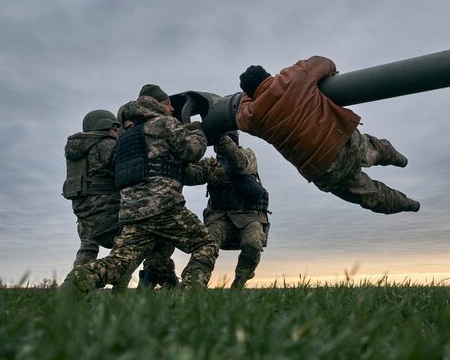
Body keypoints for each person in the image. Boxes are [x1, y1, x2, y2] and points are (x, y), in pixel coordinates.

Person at [61, 85, 218, 294]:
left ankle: (79, 279)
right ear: (157, 105)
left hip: (130, 214)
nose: (172, 108)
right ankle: (189, 295)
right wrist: (198, 131)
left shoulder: (126, 137)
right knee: (205, 245)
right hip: (164, 207)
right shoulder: (164, 124)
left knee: (119, 262)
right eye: (168, 104)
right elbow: (193, 151)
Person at [236, 56, 420, 214]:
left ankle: (410, 205)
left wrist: (246, 96)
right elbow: (325, 62)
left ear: (250, 93)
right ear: (268, 75)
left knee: (373, 196)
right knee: (377, 148)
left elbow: (240, 116)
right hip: (344, 141)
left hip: (325, 170)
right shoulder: (293, 75)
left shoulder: (252, 116)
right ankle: (400, 159)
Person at [184, 131, 270, 289]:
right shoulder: (210, 164)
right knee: (206, 246)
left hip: (248, 215)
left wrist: (221, 136)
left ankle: (240, 280)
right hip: (220, 216)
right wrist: (184, 153)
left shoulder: (247, 155)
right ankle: (192, 287)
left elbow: (240, 165)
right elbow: (191, 176)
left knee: (253, 244)